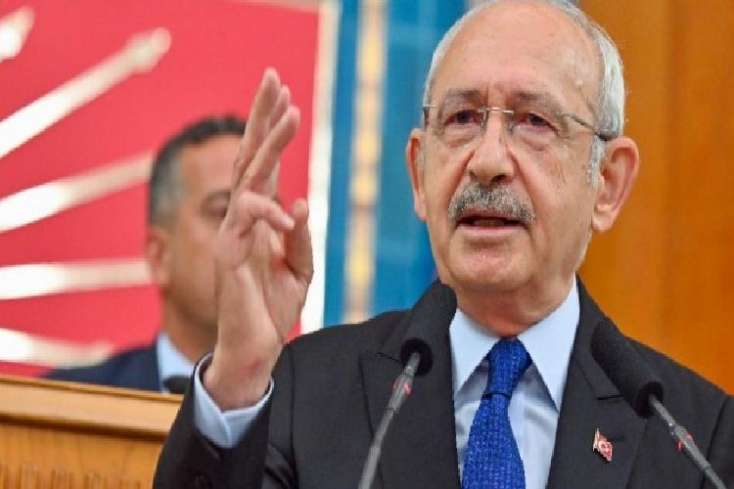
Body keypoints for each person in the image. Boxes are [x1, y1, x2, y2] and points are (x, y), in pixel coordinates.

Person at [154, 1, 734, 487]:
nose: (487, 160)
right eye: (461, 119)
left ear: (606, 183)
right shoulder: (304, 389)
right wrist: (239, 376)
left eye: (534, 121)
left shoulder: (695, 438)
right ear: (418, 174)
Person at [46, 115, 245, 394]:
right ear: (159, 256)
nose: (254, 230)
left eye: (269, 209)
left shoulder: (307, 410)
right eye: (223, 211)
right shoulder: (65, 402)